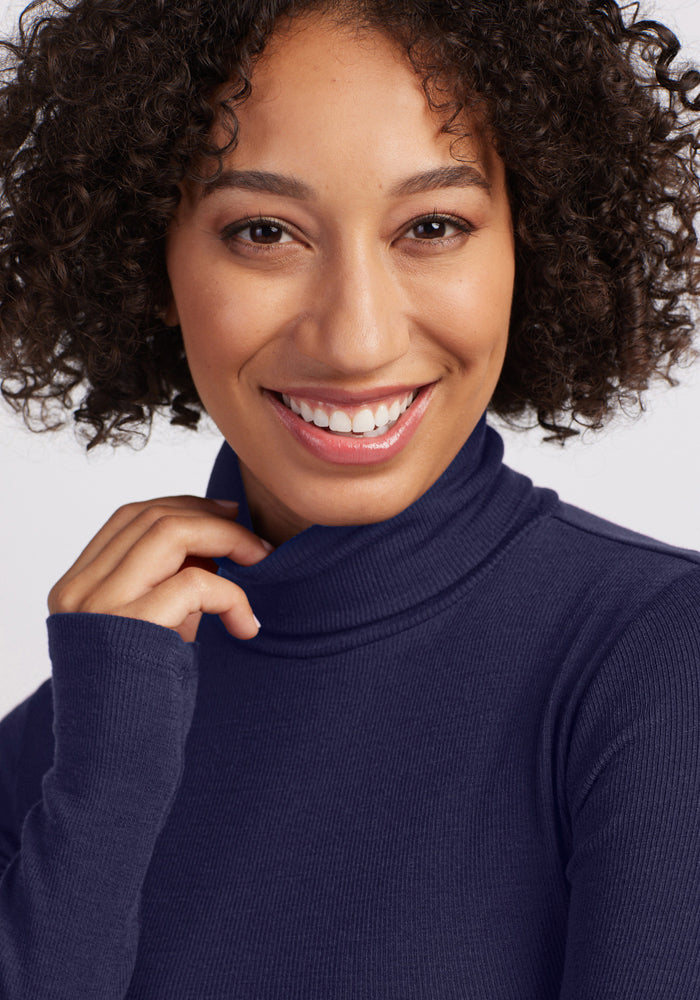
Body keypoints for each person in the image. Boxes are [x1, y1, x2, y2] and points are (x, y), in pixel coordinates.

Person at [0, 0, 699, 995]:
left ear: (530, 243)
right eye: (264, 232)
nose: (356, 339)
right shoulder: (86, 729)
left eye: (432, 226)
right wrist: (101, 787)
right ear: (149, 256)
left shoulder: (654, 660)